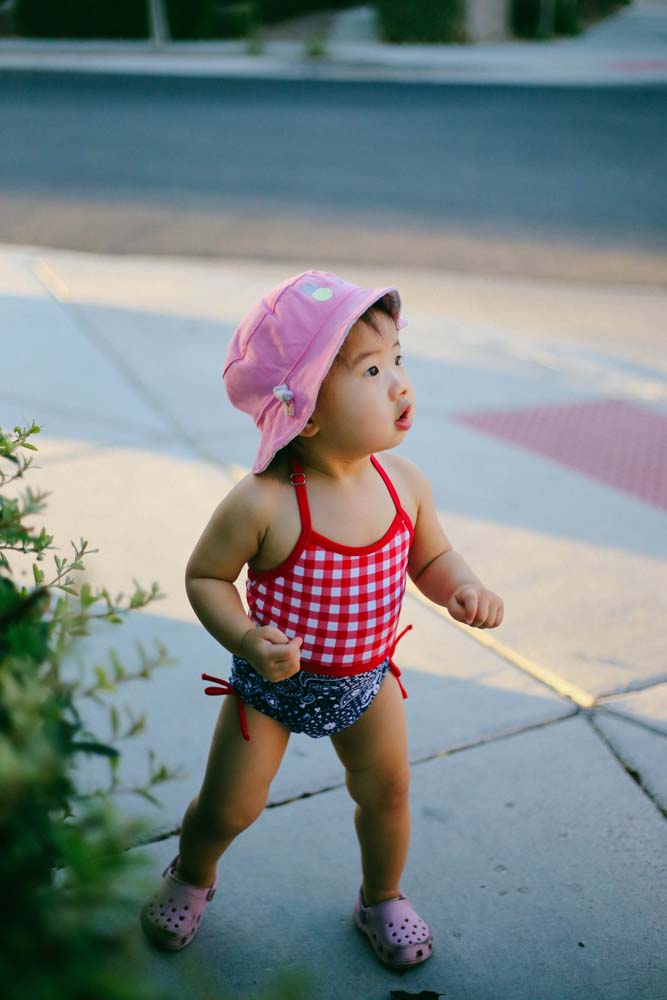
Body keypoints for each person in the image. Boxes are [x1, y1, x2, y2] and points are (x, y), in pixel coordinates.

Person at [140, 270, 503, 968]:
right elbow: (205, 577)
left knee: (388, 792)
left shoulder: (405, 486)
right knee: (230, 807)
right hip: (271, 690)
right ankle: (191, 873)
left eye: (398, 358)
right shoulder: (263, 502)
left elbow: (432, 560)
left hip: (366, 680)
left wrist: (462, 586)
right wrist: (246, 637)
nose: (399, 382)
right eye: (371, 368)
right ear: (304, 412)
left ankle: (381, 896)